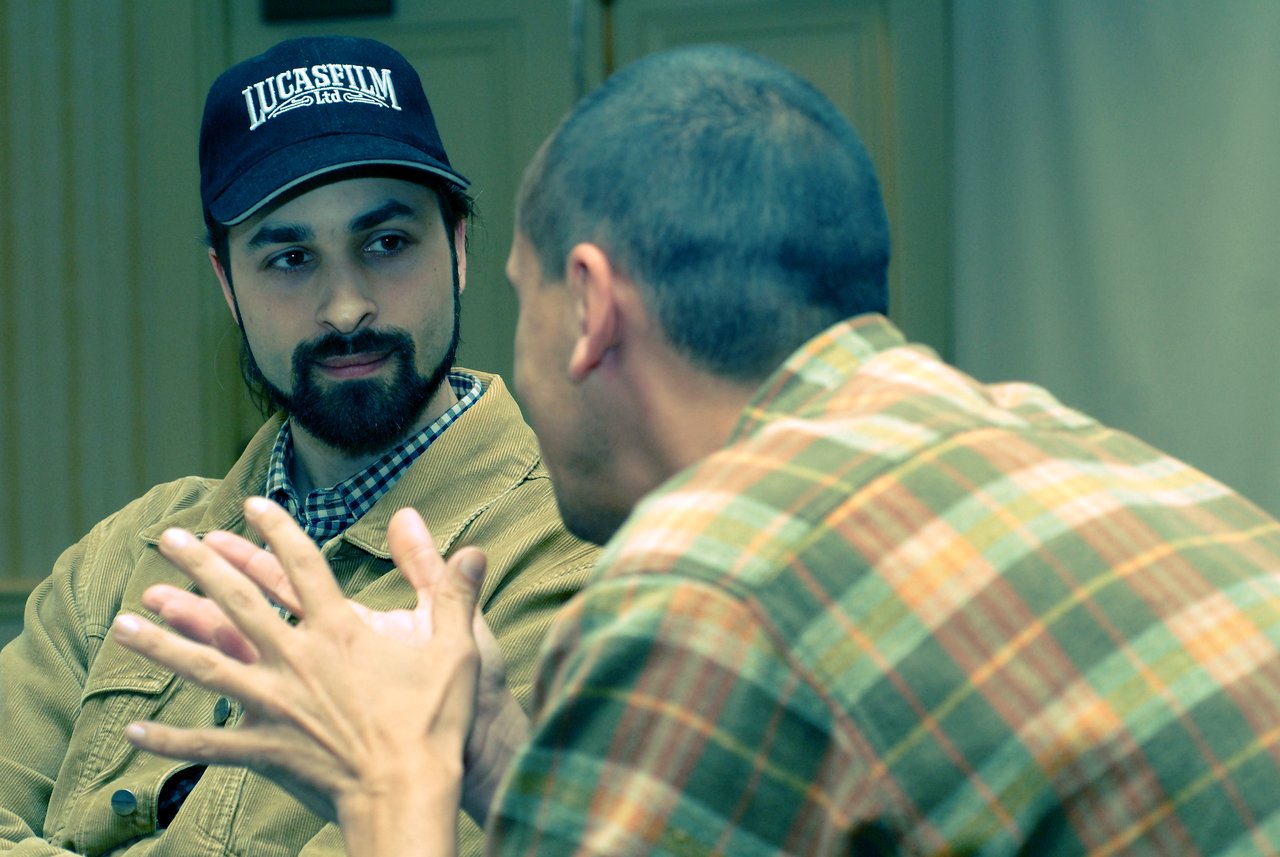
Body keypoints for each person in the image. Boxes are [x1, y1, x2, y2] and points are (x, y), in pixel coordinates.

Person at [112, 43, 1280, 855]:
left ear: (589, 307)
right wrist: (485, 748)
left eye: (516, 301)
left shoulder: (716, 571)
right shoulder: (1033, 435)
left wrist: (385, 772)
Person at [0, 35, 597, 857]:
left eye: (386, 243)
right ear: (227, 287)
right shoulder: (122, 556)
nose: (346, 306)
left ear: (458, 248)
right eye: (289, 258)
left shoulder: (568, 557)